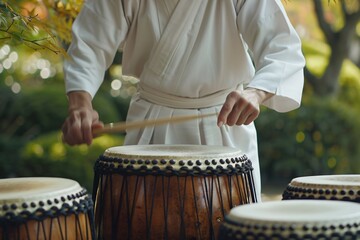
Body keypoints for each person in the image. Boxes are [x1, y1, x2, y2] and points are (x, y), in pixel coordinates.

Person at [61, 0, 305, 198]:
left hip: (224, 127)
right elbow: (89, 44)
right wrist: (80, 105)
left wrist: (256, 92)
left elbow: (282, 47)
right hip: (149, 132)